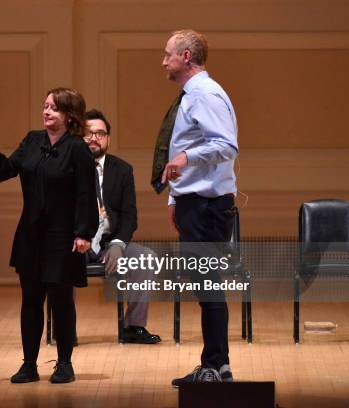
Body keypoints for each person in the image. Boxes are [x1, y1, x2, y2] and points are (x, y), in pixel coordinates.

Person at [0, 88, 98, 384]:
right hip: (31, 233)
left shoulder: (77, 148)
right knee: (30, 300)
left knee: (61, 300)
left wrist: (84, 232)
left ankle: (64, 364)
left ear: (69, 115)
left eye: (54, 108)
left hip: (63, 235)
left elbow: (87, 193)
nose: (47, 112)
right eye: (45, 106)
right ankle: (29, 364)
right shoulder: (33, 141)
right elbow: (7, 171)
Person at [150, 29, 238, 386]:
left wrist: (186, 158)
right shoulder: (192, 95)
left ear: (186, 56)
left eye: (167, 54)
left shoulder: (204, 94)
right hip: (194, 203)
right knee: (205, 287)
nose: (163, 61)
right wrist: (175, 197)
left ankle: (216, 367)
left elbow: (226, 146)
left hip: (206, 207)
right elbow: (186, 145)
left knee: (208, 286)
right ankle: (215, 365)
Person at [84, 109, 161, 344]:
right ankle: (64, 330)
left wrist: (118, 244)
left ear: (108, 138)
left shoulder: (123, 170)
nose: (95, 138)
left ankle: (133, 327)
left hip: (109, 243)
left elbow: (130, 216)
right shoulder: (69, 167)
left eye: (100, 133)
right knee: (59, 261)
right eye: (88, 133)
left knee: (146, 258)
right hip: (77, 243)